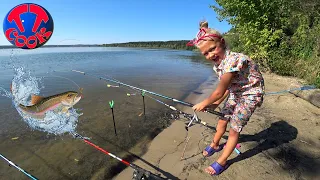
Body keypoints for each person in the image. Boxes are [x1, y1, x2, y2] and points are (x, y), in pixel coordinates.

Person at [187, 21, 265, 175]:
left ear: (222, 42)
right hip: (236, 92)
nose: (210, 55)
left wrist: (204, 102)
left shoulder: (233, 60)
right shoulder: (219, 65)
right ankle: (215, 144)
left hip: (250, 94)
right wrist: (215, 104)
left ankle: (222, 161)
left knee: (234, 129)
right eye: (206, 54)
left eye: (212, 49)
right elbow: (227, 88)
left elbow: (218, 91)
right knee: (222, 119)